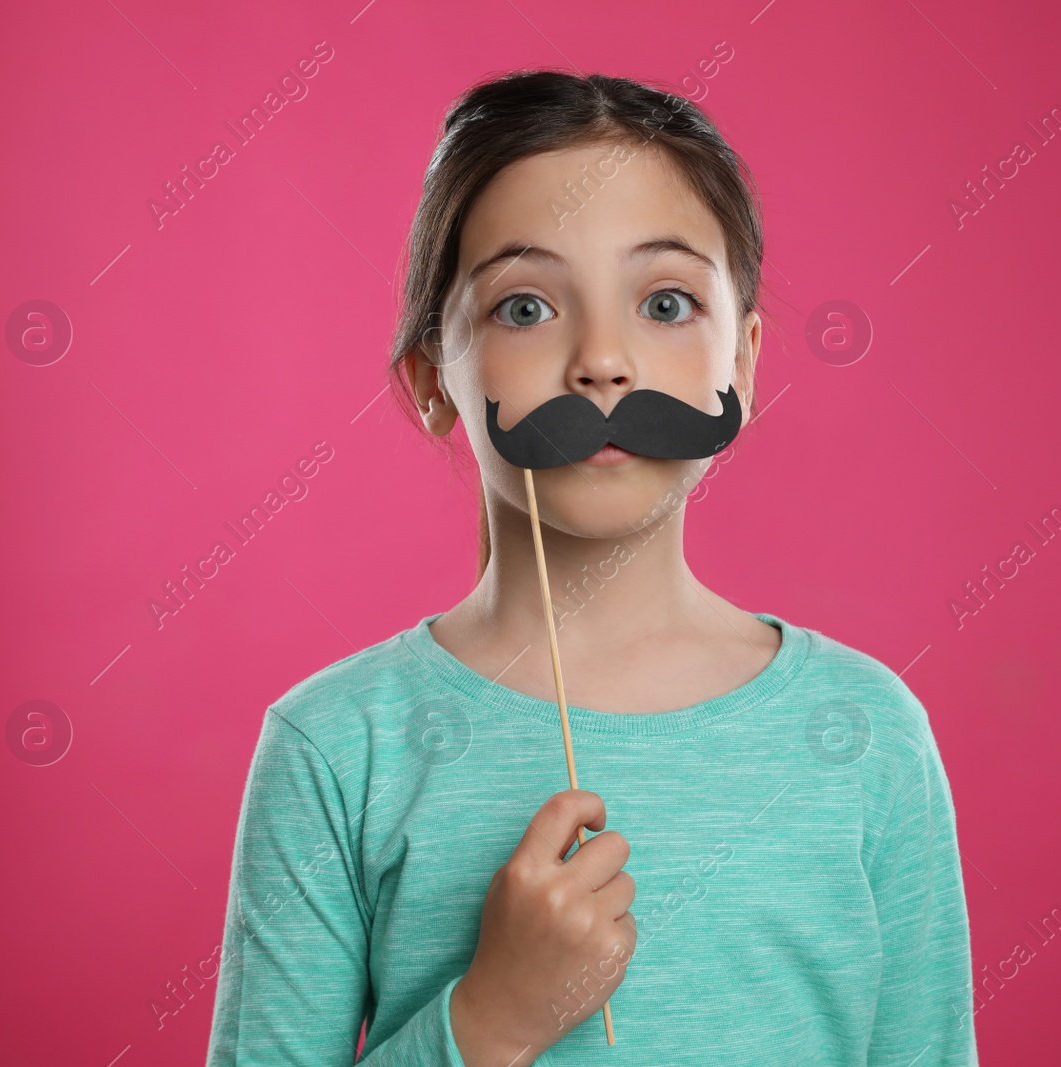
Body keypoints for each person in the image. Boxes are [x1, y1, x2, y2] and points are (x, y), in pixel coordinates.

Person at [206, 69, 978, 1066]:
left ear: (739, 362)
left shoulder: (867, 733)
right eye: (525, 308)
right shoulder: (337, 748)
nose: (602, 360)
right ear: (433, 381)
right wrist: (487, 1019)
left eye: (664, 301)